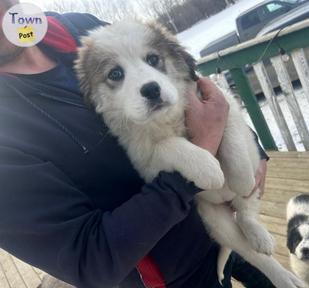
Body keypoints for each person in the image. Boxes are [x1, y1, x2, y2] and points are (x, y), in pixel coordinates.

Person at [0, 1, 271, 287]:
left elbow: (182, 78)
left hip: (224, 223)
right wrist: (201, 154)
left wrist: (245, 141)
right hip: (178, 277)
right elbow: (89, 259)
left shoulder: (78, 29)